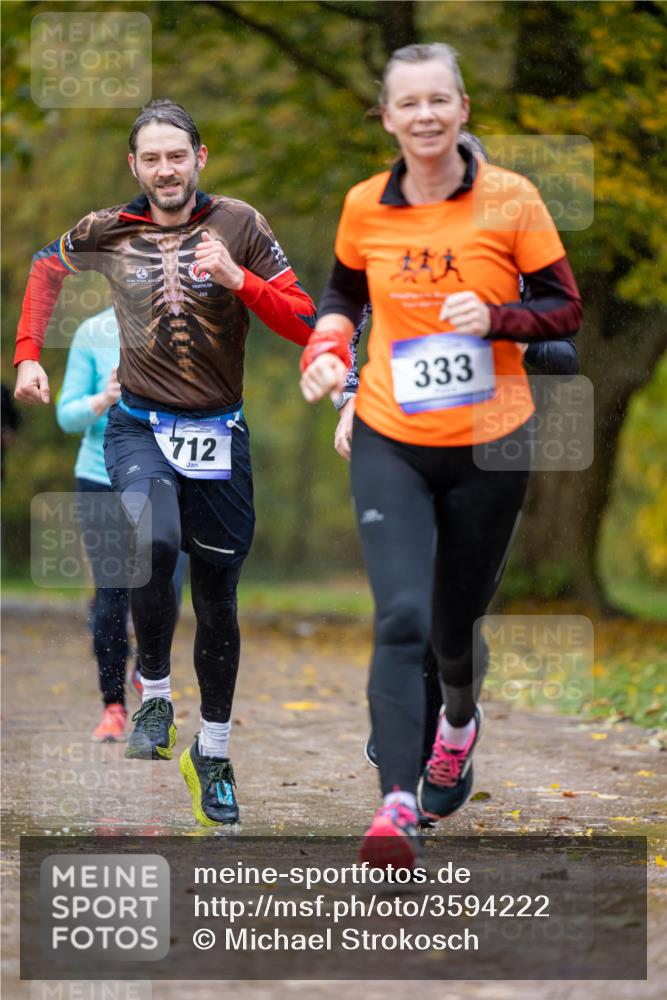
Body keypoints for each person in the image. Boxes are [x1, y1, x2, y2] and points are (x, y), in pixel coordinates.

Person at [300, 44, 582, 868]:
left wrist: (494, 320)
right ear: (385, 118)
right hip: (391, 433)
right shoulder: (364, 206)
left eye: (438, 100)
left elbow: (564, 310)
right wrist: (328, 349)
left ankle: (457, 723)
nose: (423, 116)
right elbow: (344, 293)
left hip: (491, 443)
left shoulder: (512, 199)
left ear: (461, 108)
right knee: (399, 618)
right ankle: (394, 804)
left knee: (452, 626)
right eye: (406, 103)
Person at [14, 99, 316, 827]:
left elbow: (305, 319)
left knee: (217, 598)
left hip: (219, 433)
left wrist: (242, 282)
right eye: (150, 158)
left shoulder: (241, 225)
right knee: (151, 544)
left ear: (199, 157)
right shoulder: (109, 230)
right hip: (137, 426)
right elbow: (44, 266)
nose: (164, 169)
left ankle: (211, 753)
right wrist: (28, 356)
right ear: (134, 165)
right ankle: (153, 696)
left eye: (176, 155)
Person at [56, 307, 188, 742]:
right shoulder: (93, 331)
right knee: (112, 597)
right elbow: (66, 415)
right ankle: (112, 706)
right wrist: (104, 398)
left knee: (166, 581)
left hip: (168, 473)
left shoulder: (182, 321)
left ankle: (146, 668)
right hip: (100, 477)